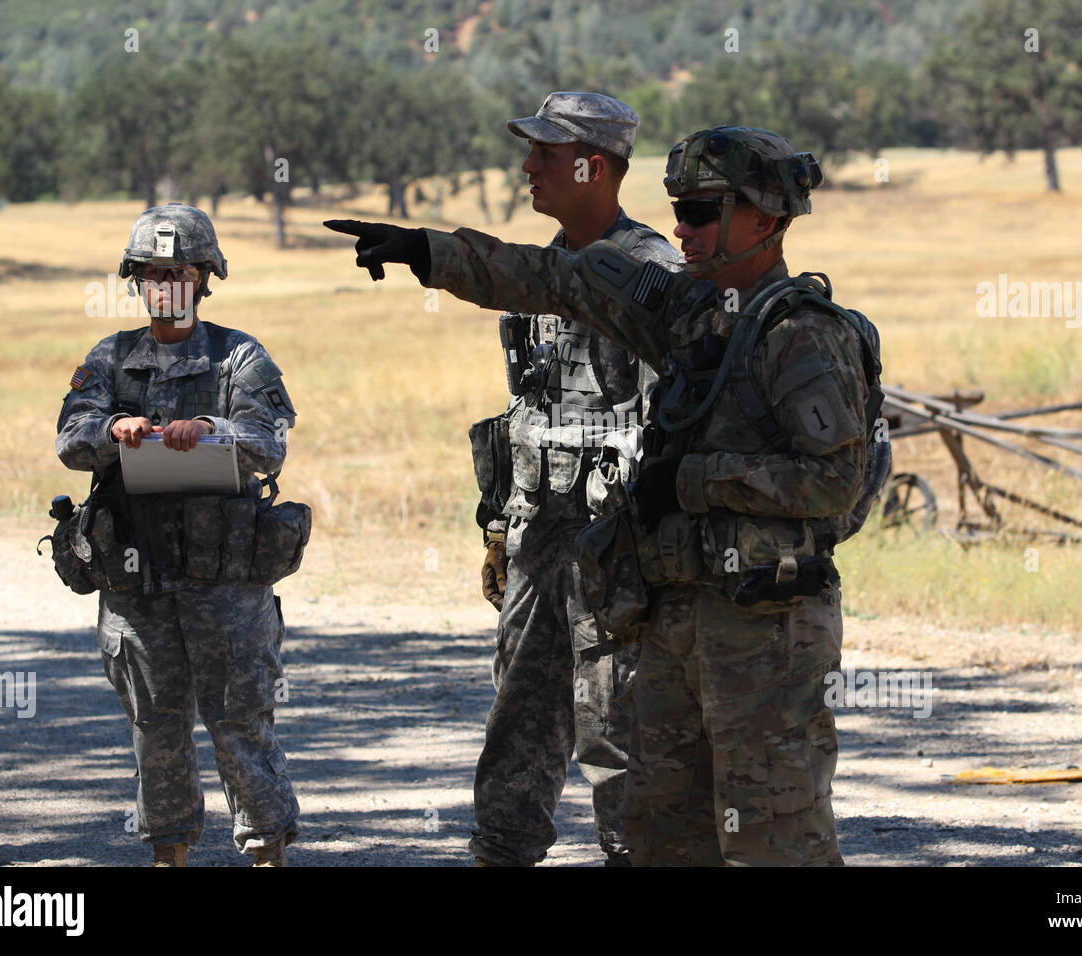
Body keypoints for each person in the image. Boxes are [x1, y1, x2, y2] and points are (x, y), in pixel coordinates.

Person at [325, 126, 885, 865]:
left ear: (764, 217)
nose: (680, 228)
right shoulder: (687, 312)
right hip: (673, 616)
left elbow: (833, 482)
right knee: (662, 834)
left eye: (700, 211)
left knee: (772, 834)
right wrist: (430, 253)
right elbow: (557, 280)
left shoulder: (802, 335)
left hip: (766, 621)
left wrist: (689, 480)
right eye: (676, 210)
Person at [462, 92, 679, 866]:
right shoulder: (539, 281)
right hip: (538, 545)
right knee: (518, 723)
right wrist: (499, 533)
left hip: (618, 555)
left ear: (592, 166)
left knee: (619, 728)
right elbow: (527, 415)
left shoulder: (656, 279)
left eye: (545, 155)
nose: (527, 167)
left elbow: (675, 433)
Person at [56, 203, 301, 866]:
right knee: (156, 731)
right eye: (152, 271)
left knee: (241, 726)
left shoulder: (237, 355)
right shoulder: (111, 359)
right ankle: (170, 858)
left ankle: (267, 855)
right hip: (138, 581)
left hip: (224, 581)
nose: (166, 281)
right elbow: (71, 440)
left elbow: (270, 442)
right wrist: (113, 431)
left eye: (180, 270)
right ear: (134, 278)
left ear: (203, 276)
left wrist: (213, 431)